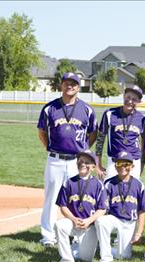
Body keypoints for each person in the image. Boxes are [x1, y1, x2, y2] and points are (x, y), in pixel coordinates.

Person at [37, 72, 98, 247]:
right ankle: (48, 236)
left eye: (73, 83)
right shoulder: (50, 108)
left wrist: (84, 149)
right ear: (61, 85)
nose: (69, 86)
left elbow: (93, 133)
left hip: (76, 162)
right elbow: (42, 132)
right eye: (66, 83)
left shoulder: (87, 109)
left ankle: (76, 234)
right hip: (55, 159)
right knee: (51, 197)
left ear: (79, 87)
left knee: (78, 197)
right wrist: (50, 147)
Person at [54, 150, 107, 262]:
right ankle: (66, 261)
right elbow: (62, 206)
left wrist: (88, 221)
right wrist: (73, 219)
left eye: (87, 162)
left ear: (93, 167)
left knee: (85, 259)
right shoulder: (69, 183)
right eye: (80, 161)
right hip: (73, 223)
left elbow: (102, 209)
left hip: (89, 226)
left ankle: (76, 246)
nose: (83, 164)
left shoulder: (98, 184)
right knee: (59, 225)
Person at [95, 152, 145, 262]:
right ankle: (106, 257)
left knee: (124, 256)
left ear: (132, 166)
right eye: (119, 164)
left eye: (126, 164)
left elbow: (141, 211)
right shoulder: (109, 184)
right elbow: (102, 207)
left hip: (129, 222)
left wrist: (139, 233)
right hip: (114, 218)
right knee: (101, 222)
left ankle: (109, 248)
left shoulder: (139, 185)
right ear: (115, 166)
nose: (123, 167)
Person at [96, 84, 145, 180]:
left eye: (134, 99)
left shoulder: (142, 118)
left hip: (133, 162)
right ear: (123, 96)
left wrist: (142, 165)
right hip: (114, 161)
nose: (130, 101)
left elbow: (144, 144)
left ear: (139, 102)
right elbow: (100, 139)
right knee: (110, 193)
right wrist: (98, 164)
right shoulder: (110, 114)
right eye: (128, 97)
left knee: (132, 193)